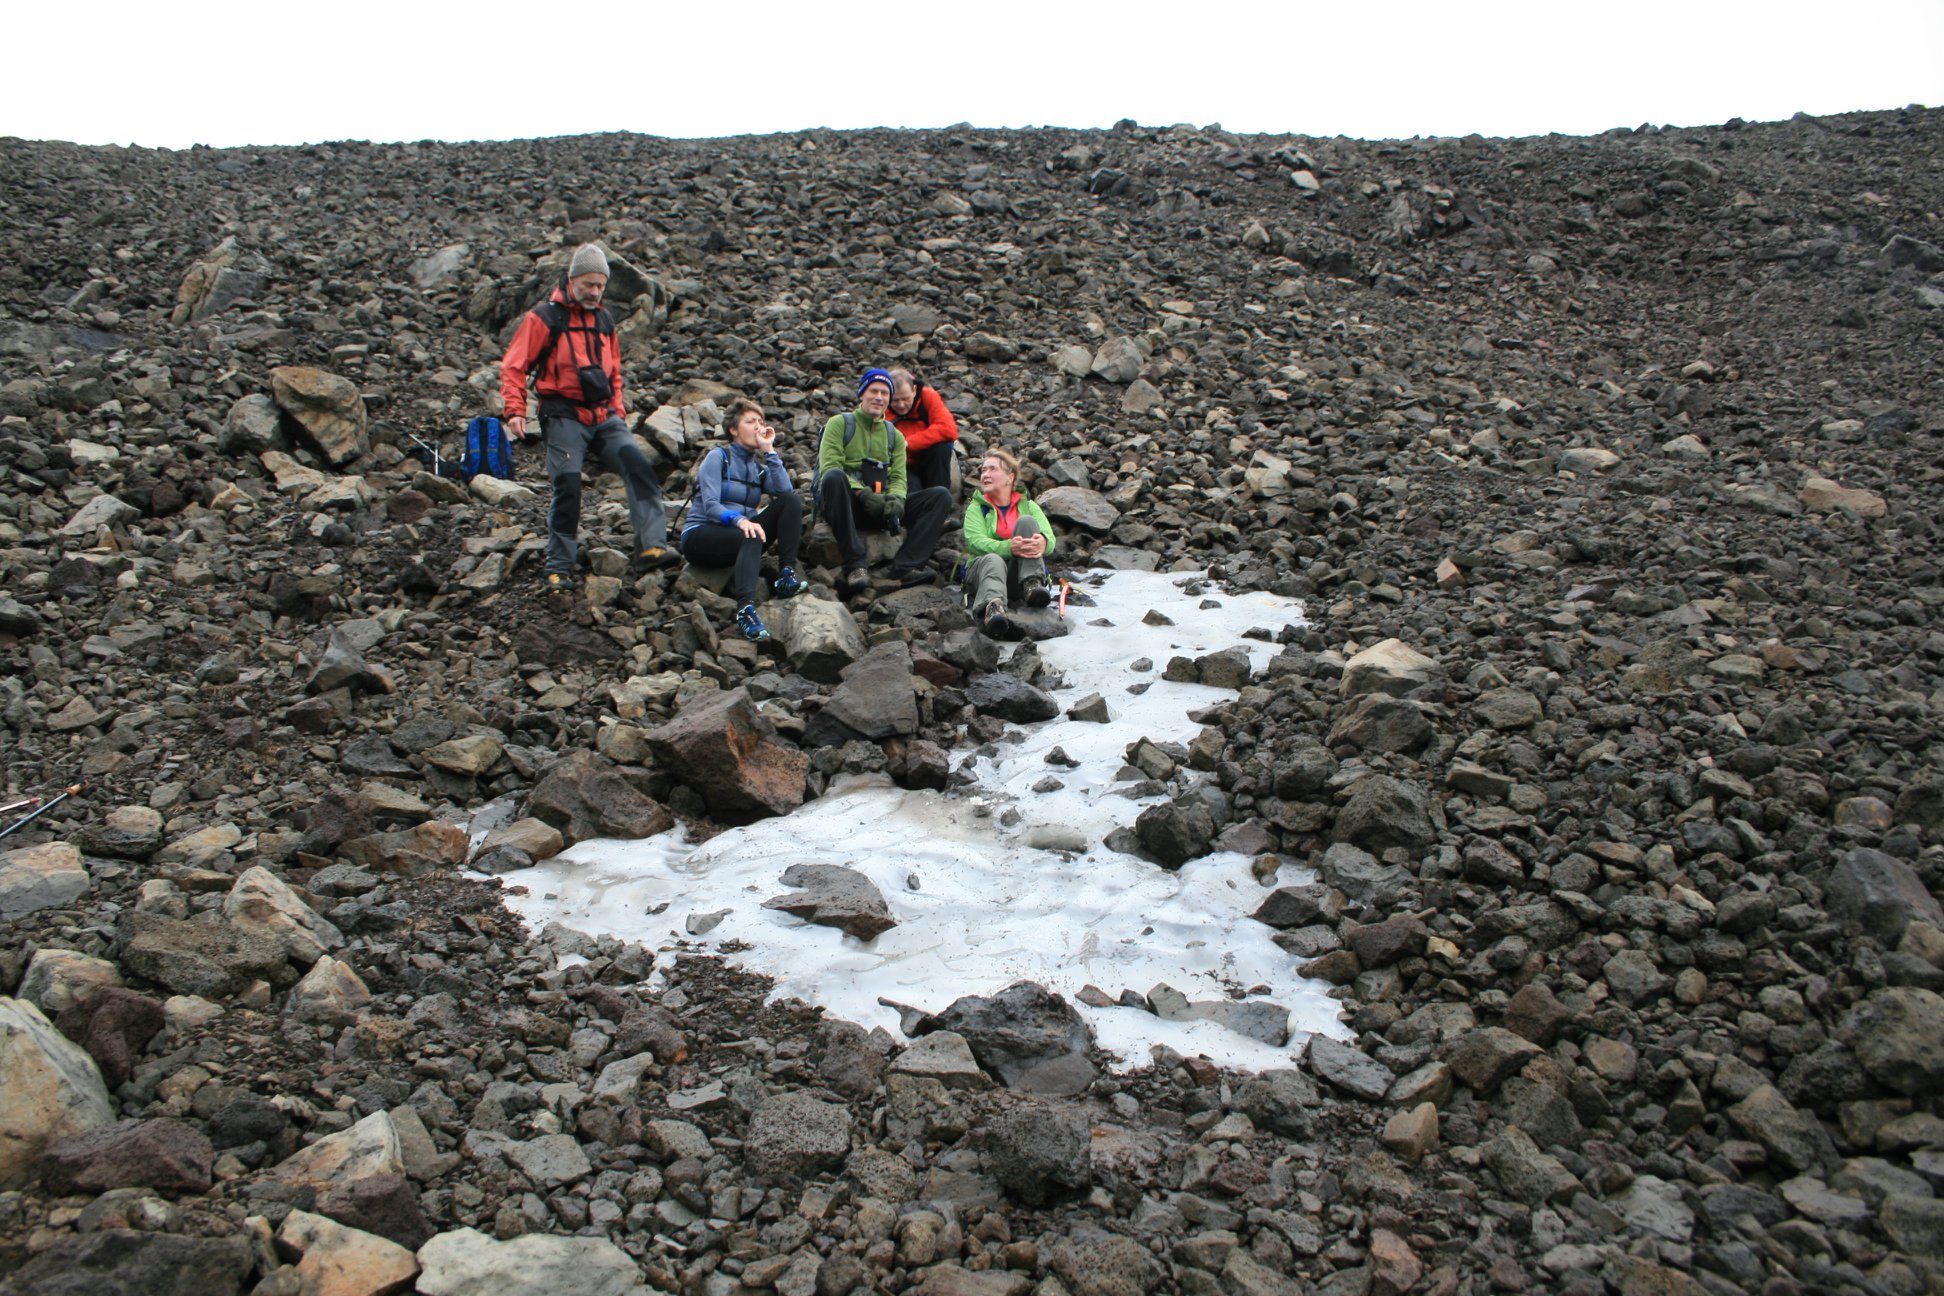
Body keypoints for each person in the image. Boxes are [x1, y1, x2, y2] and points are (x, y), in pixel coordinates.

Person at [499, 243, 670, 592]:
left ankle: (652, 546)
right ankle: (559, 566)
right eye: (589, 285)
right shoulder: (545, 318)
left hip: (604, 415)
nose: (595, 292)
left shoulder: (605, 319)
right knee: (568, 484)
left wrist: (618, 411)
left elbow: (615, 372)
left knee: (638, 466)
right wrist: (515, 409)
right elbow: (513, 365)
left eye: (600, 286)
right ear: (573, 279)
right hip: (563, 414)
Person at [679, 399, 806, 642]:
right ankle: (746, 611)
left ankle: (786, 575)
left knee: (790, 501)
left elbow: (784, 490)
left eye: (761, 422)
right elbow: (711, 505)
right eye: (750, 422)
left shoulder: (757, 468)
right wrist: (739, 520)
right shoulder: (718, 457)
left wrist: (769, 450)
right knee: (750, 531)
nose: (758, 426)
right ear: (734, 430)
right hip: (701, 536)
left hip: (739, 538)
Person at [817, 368, 952, 594]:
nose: (879, 397)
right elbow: (830, 466)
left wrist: (897, 499)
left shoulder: (894, 435)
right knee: (833, 477)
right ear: (861, 394)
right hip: (847, 504)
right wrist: (863, 493)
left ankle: (905, 567)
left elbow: (899, 476)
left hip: (882, 505)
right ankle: (855, 565)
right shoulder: (839, 424)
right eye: (874, 391)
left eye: (884, 393)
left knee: (940, 497)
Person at [962, 448, 1056, 639]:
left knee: (1027, 523)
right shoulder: (976, 508)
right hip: (983, 575)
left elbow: (1050, 538)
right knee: (993, 559)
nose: (985, 475)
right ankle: (993, 608)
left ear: (1010, 477)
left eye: (992, 469)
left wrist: (1043, 543)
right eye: (983, 470)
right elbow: (975, 543)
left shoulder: (1028, 506)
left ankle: (1032, 585)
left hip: (1014, 577)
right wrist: (1009, 547)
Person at [888, 367, 959, 495]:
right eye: (895, 400)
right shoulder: (881, 408)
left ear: (914, 391)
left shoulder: (928, 397)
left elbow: (948, 429)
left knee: (940, 449)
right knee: (913, 488)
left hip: (931, 460)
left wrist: (908, 443)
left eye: (905, 399)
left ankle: (941, 503)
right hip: (902, 465)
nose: (901, 405)